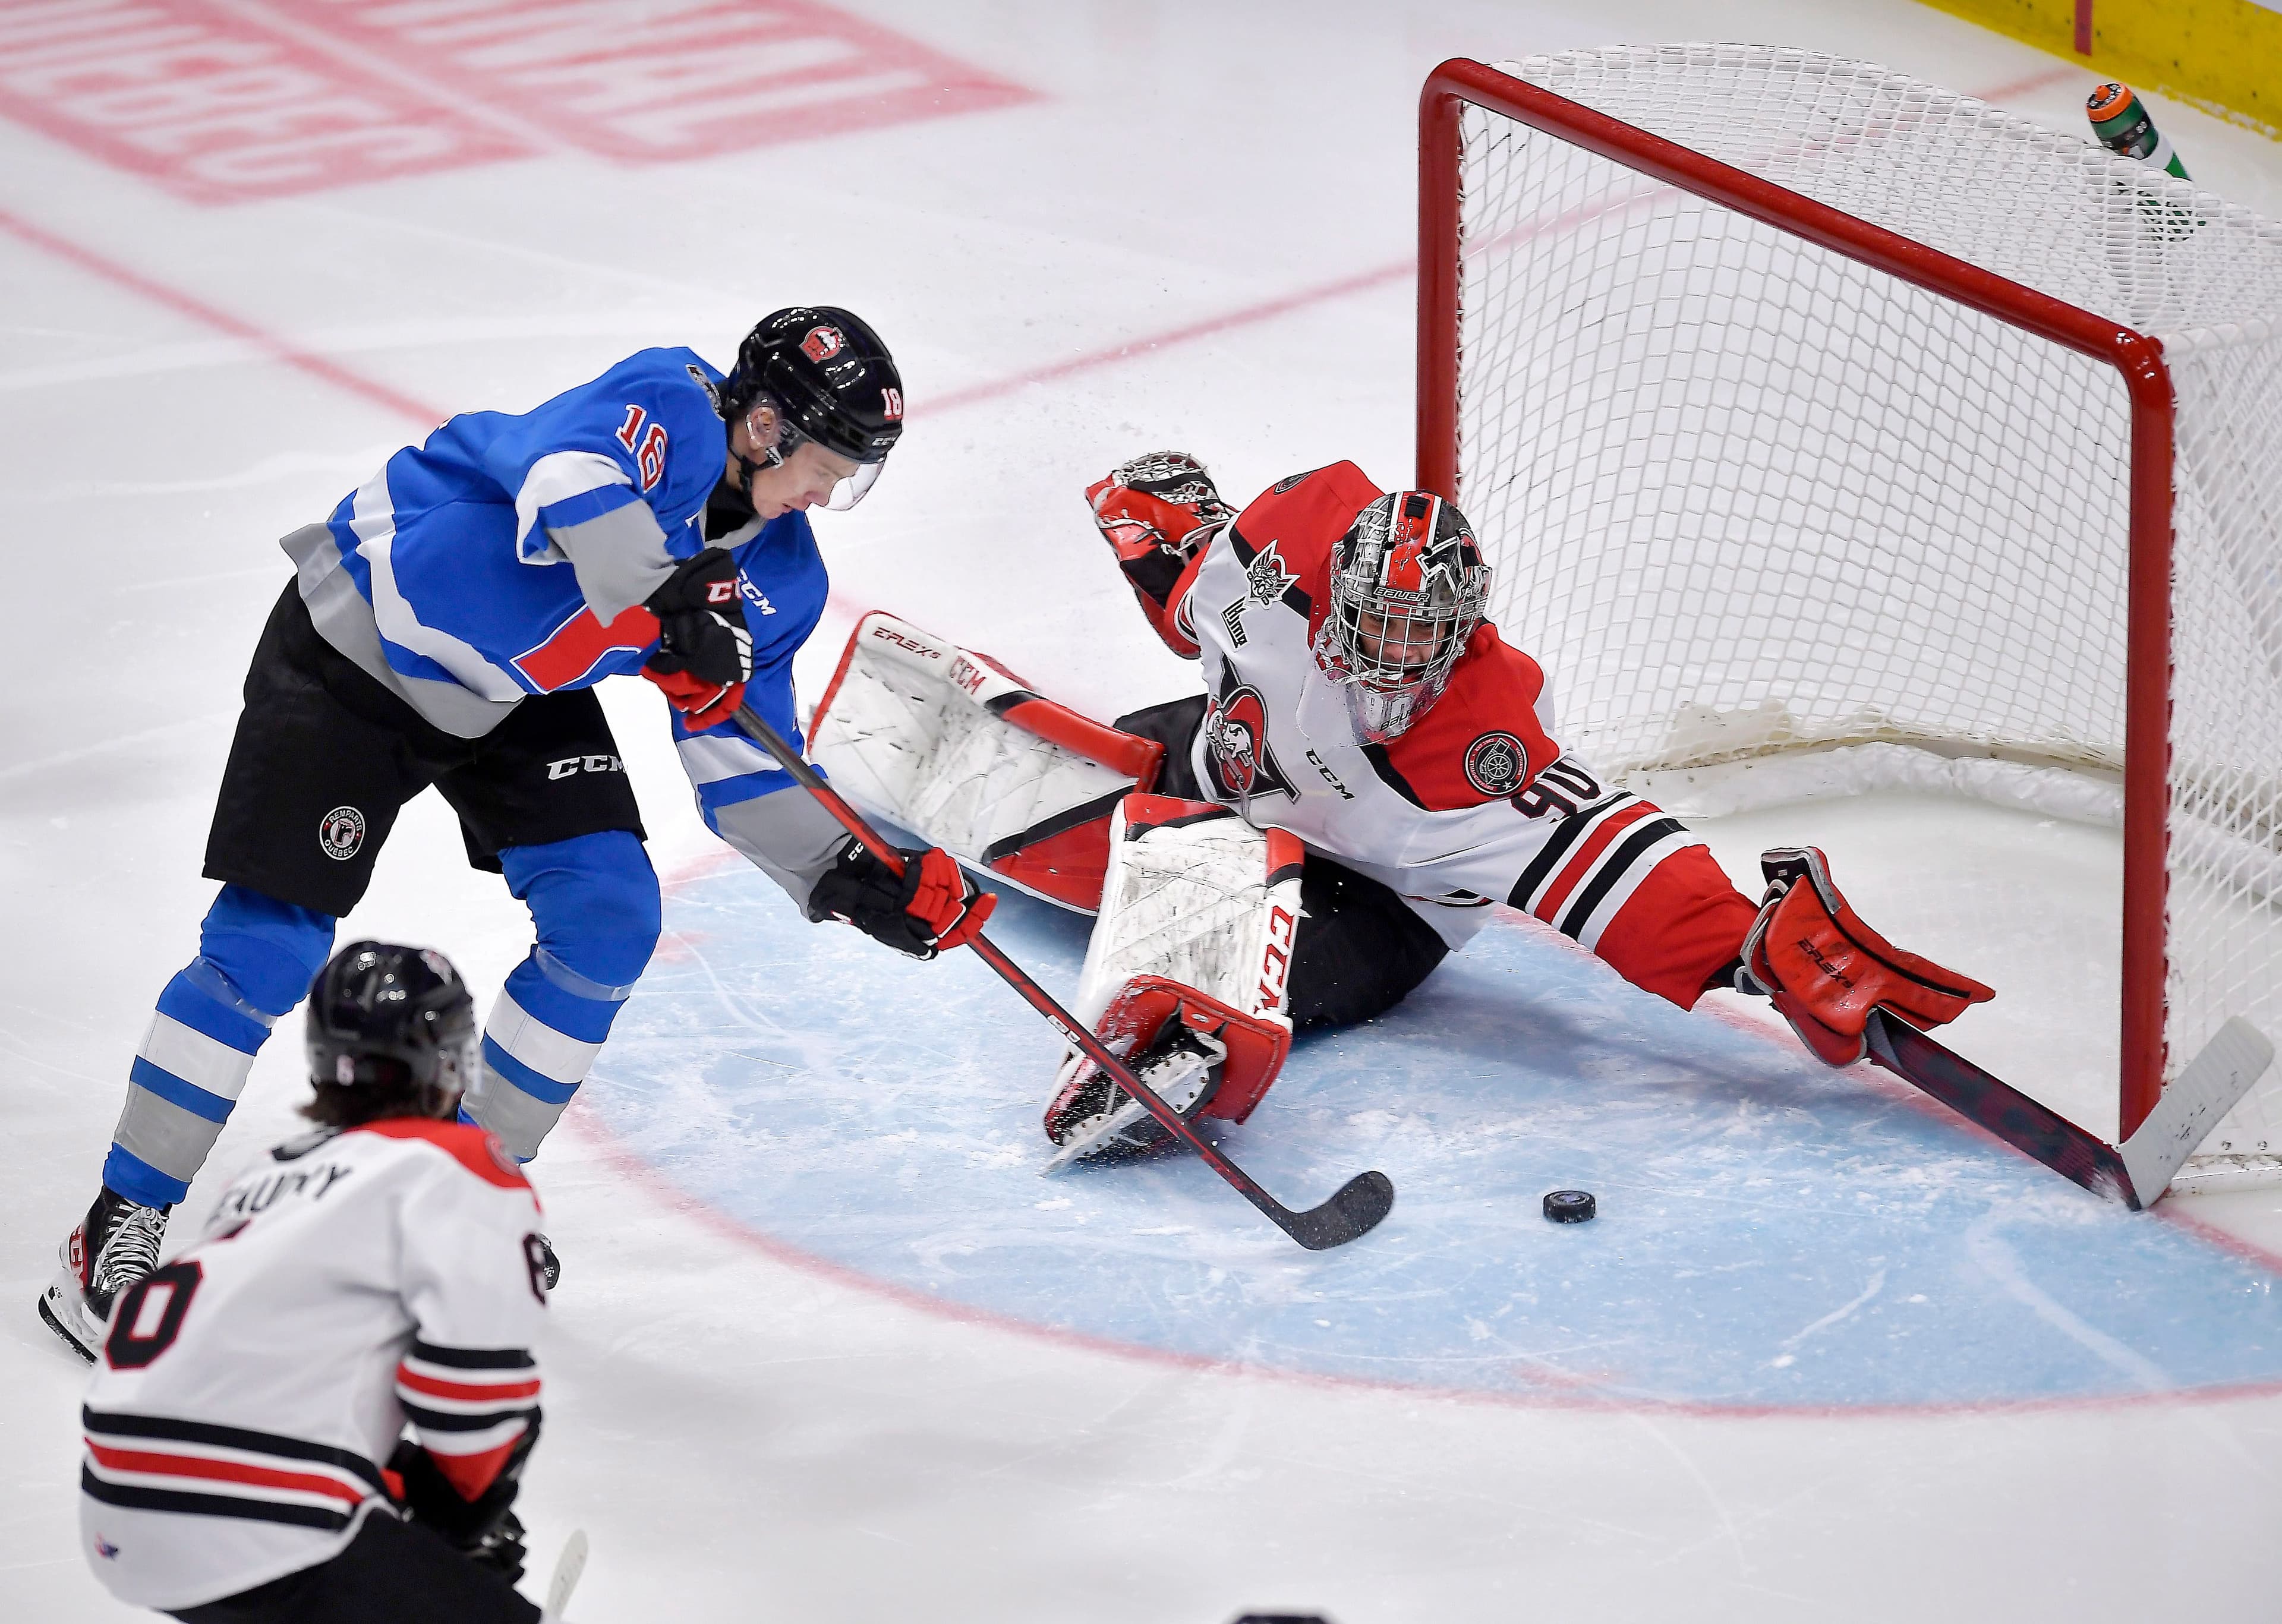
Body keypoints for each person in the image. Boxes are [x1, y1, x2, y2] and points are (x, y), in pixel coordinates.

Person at [41, 308, 995, 1360]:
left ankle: (456, 1206)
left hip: (518, 693)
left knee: (610, 918)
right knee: (265, 948)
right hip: (363, 643)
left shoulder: (784, 579)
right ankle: (114, 1231)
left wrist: (849, 866)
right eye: (826, 462)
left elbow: (741, 761)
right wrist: (665, 597)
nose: (828, 494)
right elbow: (568, 483)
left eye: (853, 476)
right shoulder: (667, 403)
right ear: (766, 424)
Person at [1042, 453, 1993, 1160]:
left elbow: (1613, 849)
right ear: (1337, 593)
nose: (1398, 660)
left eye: (1426, 639)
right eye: (1379, 626)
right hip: (1230, 772)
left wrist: (1752, 950)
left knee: (1250, 968)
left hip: (1378, 902)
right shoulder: (1270, 561)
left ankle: (1185, 1034)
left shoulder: (1491, 745)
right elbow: (1192, 590)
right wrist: (1160, 523)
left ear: (1465, 628)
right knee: (1072, 781)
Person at [80, 941, 559, 1623]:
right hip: (258, 1522)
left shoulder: (264, 1179)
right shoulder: (458, 1164)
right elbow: (469, 1391)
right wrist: (465, 1522)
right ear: (453, 1061)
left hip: (117, 1509)